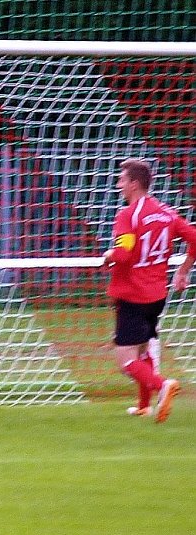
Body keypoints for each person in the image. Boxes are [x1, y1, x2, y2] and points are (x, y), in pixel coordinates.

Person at [102, 158, 196, 423]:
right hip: (156, 295)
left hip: (132, 294)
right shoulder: (166, 213)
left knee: (126, 360)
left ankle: (162, 385)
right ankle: (144, 406)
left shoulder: (128, 215)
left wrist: (108, 255)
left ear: (134, 183)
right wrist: (183, 271)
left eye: (122, 179)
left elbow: (123, 252)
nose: (119, 185)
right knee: (143, 351)